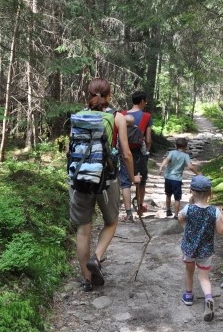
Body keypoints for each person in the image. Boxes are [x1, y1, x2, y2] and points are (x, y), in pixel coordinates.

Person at [70, 78, 139, 292]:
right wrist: (133, 177)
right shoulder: (116, 117)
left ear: (88, 96)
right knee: (111, 222)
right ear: (109, 96)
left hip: (79, 179)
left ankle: (88, 280)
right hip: (106, 180)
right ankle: (97, 257)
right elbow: (126, 154)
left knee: (83, 230)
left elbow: (70, 150)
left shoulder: (77, 117)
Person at [178, 175, 223, 322]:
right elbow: (221, 230)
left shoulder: (189, 208)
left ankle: (188, 296)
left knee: (189, 270)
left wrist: (186, 226)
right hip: (206, 250)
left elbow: (180, 219)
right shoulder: (214, 211)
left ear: (191, 192)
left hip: (189, 248)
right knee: (204, 276)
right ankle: (208, 297)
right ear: (210, 194)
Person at [120, 91, 153, 221]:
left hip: (123, 151)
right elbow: (148, 139)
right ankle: (139, 208)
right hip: (139, 153)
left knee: (125, 182)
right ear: (142, 101)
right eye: (145, 101)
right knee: (141, 180)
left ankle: (128, 213)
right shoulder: (146, 116)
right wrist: (147, 151)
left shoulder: (122, 115)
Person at [158, 137, 199, 218]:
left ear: (176, 145)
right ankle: (176, 215)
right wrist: (198, 173)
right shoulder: (185, 155)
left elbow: (166, 160)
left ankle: (168, 210)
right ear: (185, 147)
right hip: (176, 180)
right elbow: (190, 166)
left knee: (168, 195)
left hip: (168, 178)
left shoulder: (172, 152)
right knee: (177, 198)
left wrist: (161, 167)